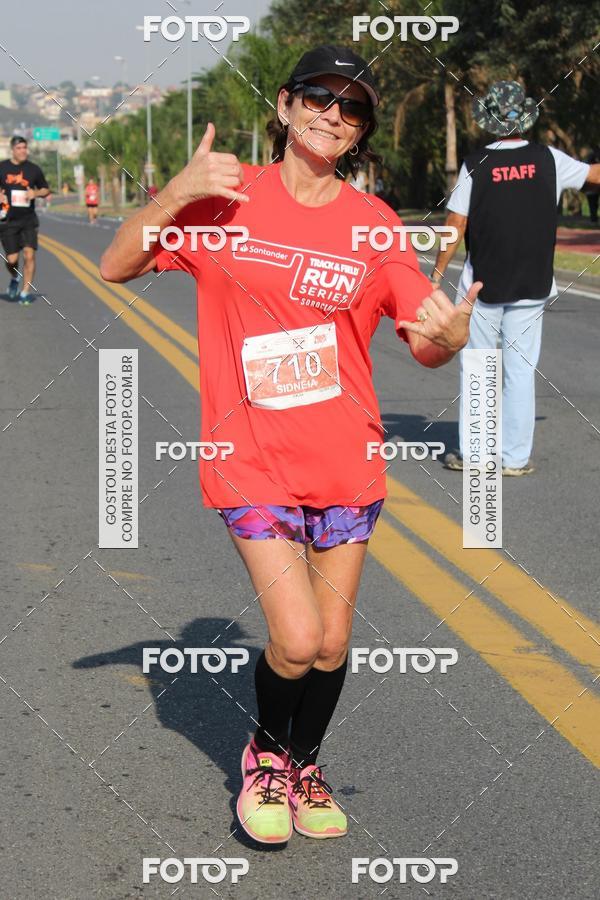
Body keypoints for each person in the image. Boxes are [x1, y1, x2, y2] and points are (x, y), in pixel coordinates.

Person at [101, 44, 478, 844]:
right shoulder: (225, 204)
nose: (333, 115)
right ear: (284, 103)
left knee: (334, 639)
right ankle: (266, 757)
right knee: (298, 636)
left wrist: (452, 338)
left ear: (360, 130)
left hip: (347, 456)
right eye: (318, 96)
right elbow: (114, 264)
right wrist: (176, 191)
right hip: (249, 459)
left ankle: (305, 764)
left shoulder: (374, 225)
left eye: (352, 108)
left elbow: (423, 341)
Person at [434, 81, 600, 475]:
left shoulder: (475, 163)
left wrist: (437, 273)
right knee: (520, 371)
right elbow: (594, 175)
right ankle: (514, 458)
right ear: (525, 118)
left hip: (481, 286)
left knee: (478, 368)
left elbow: (456, 223)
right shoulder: (549, 159)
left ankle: (475, 454)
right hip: (533, 285)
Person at [0, 135, 50, 304]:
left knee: (29, 256)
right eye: (19, 148)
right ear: (12, 150)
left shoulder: (33, 169)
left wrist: (34, 193)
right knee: (12, 259)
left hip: (28, 219)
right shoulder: (2, 168)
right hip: (8, 220)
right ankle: (14, 277)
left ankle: (25, 292)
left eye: (25, 148)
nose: (23, 151)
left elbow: (45, 189)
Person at [583, 148, 599, 224]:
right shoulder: (593, 166)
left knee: (592, 204)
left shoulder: (587, 166)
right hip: (593, 188)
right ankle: (594, 218)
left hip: (592, 189)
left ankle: (593, 218)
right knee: (594, 204)